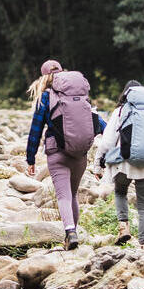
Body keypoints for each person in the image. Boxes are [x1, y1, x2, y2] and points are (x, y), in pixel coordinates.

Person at [24, 61, 103, 246]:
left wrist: (30, 158)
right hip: (80, 154)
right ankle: (73, 235)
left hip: (56, 152)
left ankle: (70, 232)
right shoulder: (81, 96)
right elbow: (97, 122)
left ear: (43, 76)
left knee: (63, 196)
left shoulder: (45, 97)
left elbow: (35, 129)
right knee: (73, 195)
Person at [96, 78, 144, 247]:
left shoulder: (121, 111)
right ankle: (143, 243)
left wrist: (98, 162)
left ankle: (124, 229)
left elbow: (107, 142)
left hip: (123, 162)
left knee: (120, 193)